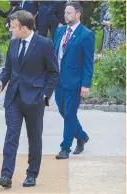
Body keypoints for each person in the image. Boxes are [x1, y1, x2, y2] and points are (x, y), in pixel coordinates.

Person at [0, 10, 59, 188]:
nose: (10, 30)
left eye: (13, 27)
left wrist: (45, 94)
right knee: (11, 137)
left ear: (23, 27)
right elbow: (8, 68)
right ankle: (6, 176)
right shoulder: (13, 43)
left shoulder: (44, 44)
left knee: (34, 138)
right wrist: (1, 82)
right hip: (13, 97)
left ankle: (32, 174)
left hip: (35, 98)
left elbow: (53, 72)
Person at [53, 2, 94, 159]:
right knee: (64, 112)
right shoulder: (60, 31)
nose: (66, 15)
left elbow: (88, 62)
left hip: (74, 82)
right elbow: (54, 54)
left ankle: (65, 148)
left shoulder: (86, 34)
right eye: (65, 12)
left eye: (69, 13)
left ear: (78, 14)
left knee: (70, 114)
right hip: (58, 81)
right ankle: (82, 136)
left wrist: (85, 84)